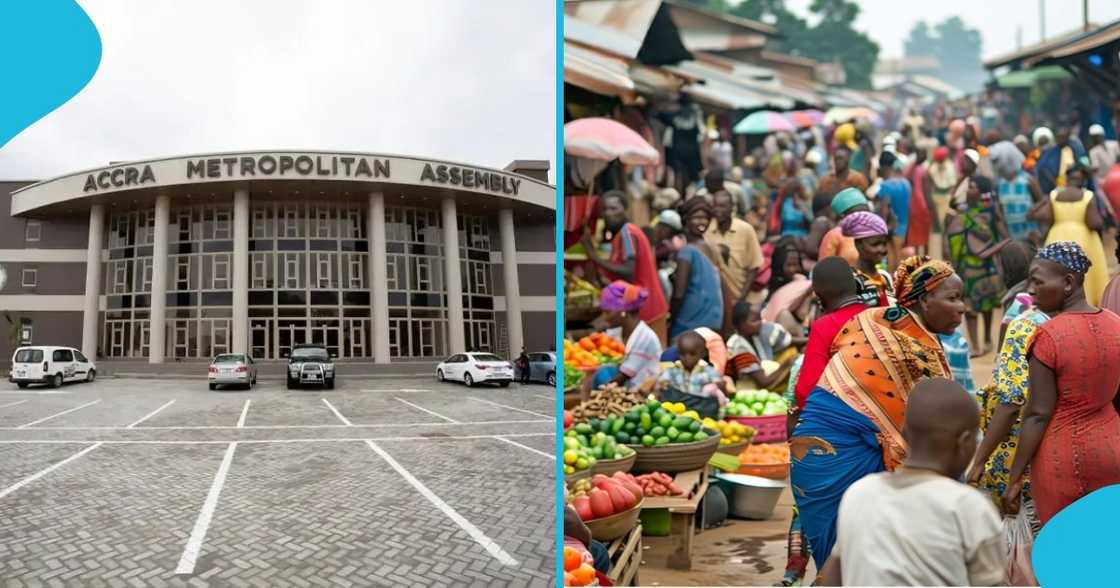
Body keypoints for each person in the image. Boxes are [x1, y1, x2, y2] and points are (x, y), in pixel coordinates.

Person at [790, 256, 966, 570]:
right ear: (925, 300)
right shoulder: (913, 351)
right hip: (834, 458)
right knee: (857, 564)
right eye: (952, 298)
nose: (962, 307)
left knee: (852, 564)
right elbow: (920, 441)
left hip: (814, 455)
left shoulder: (875, 320)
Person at [819, 378, 1005, 587]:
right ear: (964, 443)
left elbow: (832, 578)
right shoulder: (968, 507)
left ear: (905, 434)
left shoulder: (859, 493)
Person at [1002, 242, 1120, 525]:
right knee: (1106, 548)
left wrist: (1015, 476)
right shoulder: (1116, 325)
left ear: (1068, 283)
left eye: (1038, 281)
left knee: (1064, 554)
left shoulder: (1048, 337)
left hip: (1063, 459)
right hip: (1112, 448)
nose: (1031, 290)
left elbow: (1038, 414)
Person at [967, 303, 1049, 527]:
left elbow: (1012, 401)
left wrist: (979, 461)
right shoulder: (1093, 323)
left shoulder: (1023, 325)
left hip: (1016, 457)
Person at [581, 190, 671, 344]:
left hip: (646, 309)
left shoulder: (627, 233)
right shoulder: (620, 235)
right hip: (640, 308)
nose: (609, 213)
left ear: (625, 209)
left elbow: (628, 272)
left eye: (614, 208)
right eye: (605, 209)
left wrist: (594, 256)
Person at [791, 256, 865, 411]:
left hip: (843, 419)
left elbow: (806, 391)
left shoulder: (825, 326)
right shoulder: (878, 316)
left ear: (819, 295)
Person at [944, 175, 1007, 357]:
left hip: (987, 267)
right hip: (967, 267)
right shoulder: (961, 212)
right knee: (970, 309)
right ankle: (976, 345)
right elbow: (953, 200)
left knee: (986, 306)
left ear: (981, 192)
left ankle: (987, 339)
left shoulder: (989, 212)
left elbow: (1003, 235)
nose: (969, 190)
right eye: (969, 186)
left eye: (972, 186)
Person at [1030, 163, 1109, 305]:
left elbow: (1047, 217)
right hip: (1084, 238)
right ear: (1082, 180)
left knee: (1055, 270)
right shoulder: (1087, 196)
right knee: (1086, 274)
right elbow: (1094, 223)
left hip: (1057, 235)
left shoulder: (1055, 195)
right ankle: (1086, 302)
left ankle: (1057, 301)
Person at [591, 281, 664, 391]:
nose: (604, 318)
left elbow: (623, 376)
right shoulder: (616, 332)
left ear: (623, 311)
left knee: (602, 374)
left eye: (607, 312)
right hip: (623, 385)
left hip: (641, 391)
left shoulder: (645, 338)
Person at [671, 197, 724, 338]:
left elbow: (679, 293)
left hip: (689, 322)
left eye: (705, 218)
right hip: (713, 321)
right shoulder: (711, 248)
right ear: (686, 220)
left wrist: (671, 317)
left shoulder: (686, 251)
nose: (701, 222)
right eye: (696, 217)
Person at [655, 330, 732, 418]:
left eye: (692, 354)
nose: (687, 358)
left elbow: (722, 391)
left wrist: (721, 386)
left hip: (702, 411)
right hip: (677, 411)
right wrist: (662, 385)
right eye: (682, 354)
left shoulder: (708, 371)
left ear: (702, 353)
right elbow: (662, 383)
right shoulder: (672, 370)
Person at [725, 301, 799, 392]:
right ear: (741, 325)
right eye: (754, 321)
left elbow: (788, 342)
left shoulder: (755, 337)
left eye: (760, 319)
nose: (760, 323)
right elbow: (763, 382)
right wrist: (786, 364)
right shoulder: (739, 346)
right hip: (747, 392)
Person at [992, 140, 1043, 244]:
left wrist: (1034, 210)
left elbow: (1042, 201)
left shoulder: (1028, 180)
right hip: (1011, 237)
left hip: (1031, 236)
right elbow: (999, 214)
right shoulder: (999, 184)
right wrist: (1008, 239)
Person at [840, 211, 894, 308]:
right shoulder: (850, 282)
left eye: (884, 244)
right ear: (858, 244)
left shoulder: (885, 278)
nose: (883, 250)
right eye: (875, 244)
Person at [763, 238, 813, 339]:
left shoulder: (803, 283)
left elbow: (802, 315)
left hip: (802, 330)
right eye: (789, 265)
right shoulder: (773, 288)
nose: (793, 269)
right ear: (779, 265)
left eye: (796, 264)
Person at [875, 151, 912, 268]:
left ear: (883, 167)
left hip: (892, 233)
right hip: (906, 231)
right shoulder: (906, 183)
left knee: (892, 268)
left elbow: (884, 212)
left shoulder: (885, 186)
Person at [817, 188, 870, 268]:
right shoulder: (834, 236)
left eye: (866, 213)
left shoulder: (874, 232)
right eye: (857, 214)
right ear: (843, 216)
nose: (863, 217)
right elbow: (824, 269)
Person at [1035, 127, 1087, 195]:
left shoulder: (1076, 149)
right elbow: (1042, 167)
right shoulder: (1050, 152)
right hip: (1055, 186)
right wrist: (1055, 183)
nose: (1061, 140)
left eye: (1063, 137)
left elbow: (1084, 163)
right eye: (1059, 137)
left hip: (1075, 185)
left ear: (1068, 137)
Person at [903, 143, 934, 252]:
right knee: (924, 236)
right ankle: (925, 258)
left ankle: (918, 258)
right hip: (922, 206)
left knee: (916, 236)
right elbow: (927, 192)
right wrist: (931, 208)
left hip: (912, 205)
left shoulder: (911, 168)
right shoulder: (924, 169)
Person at [928, 146, 958, 228]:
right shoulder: (933, 167)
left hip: (946, 196)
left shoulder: (950, 166)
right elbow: (931, 182)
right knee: (933, 221)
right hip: (935, 194)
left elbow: (952, 185)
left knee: (942, 221)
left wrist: (950, 198)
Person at [1088, 124, 1117, 188]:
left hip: (1113, 179)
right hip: (1106, 181)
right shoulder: (1093, 151)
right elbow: (1095, 171)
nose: (1098, 138)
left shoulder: (1114, 145)